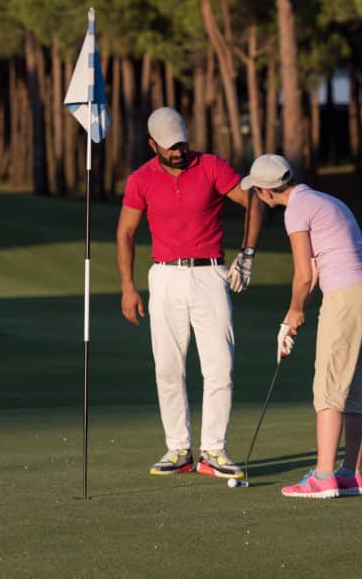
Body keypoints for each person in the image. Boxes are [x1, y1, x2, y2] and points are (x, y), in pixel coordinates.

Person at [117, 107, 263, 479]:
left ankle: (213, 452)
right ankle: (178, 449)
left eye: (182, 143)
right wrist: (128, 287)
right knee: (167, 367)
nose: (178, 151)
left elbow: (254, 201)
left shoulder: (212, 166)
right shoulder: (140, 179)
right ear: (152, 145)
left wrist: (246, 255)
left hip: (210, 274)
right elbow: (126, 233)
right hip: (164, 277)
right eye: (169, 147)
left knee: (220, 368)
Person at [241, 153, 362, 498]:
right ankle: (350, 474)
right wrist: (293, 318)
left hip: (345, 295)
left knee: (329, 388)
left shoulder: (296, 210)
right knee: (356, 389)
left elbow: (304, 275)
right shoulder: (326, 200)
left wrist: (293, 311)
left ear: (265, 190)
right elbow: (317, 268)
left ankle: (323, 476)